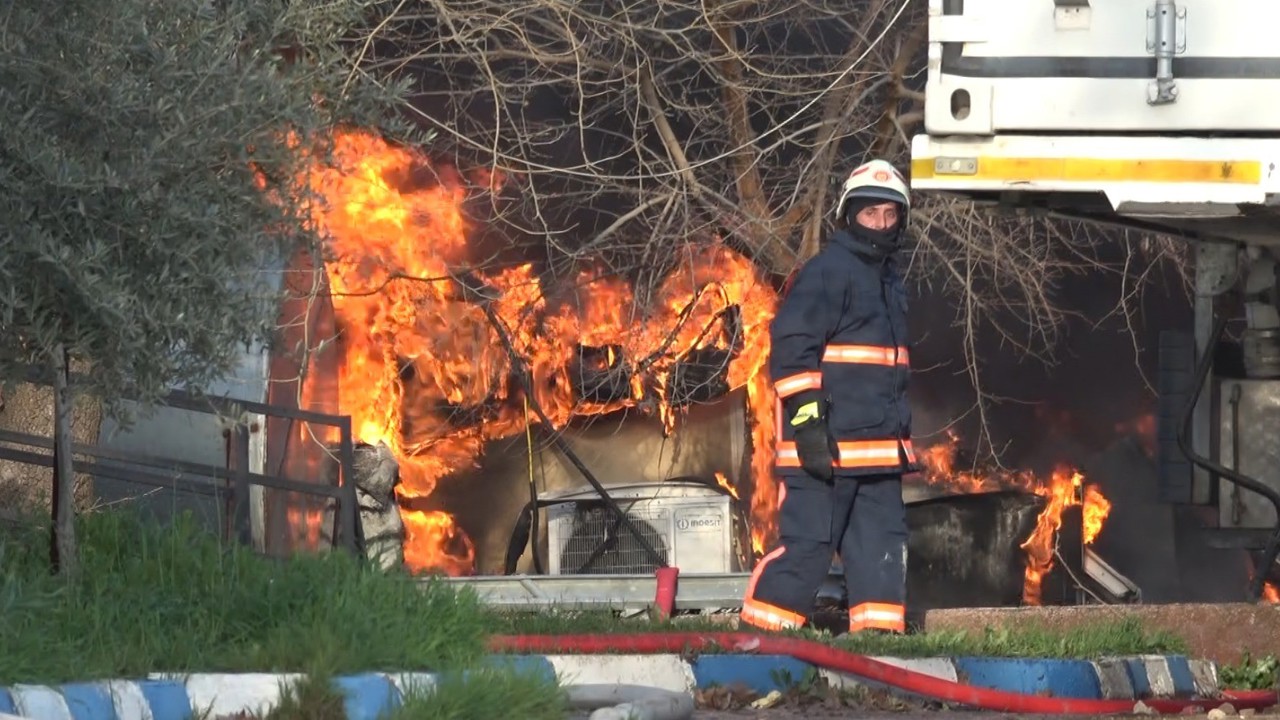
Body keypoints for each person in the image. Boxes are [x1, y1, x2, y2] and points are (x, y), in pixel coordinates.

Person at [740, 158, 919, 635]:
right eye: (870, 214)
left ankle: (880, 648)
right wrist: (808, 426)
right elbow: (793, 351)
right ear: (849, 216)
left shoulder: (888, 280)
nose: (881, 224)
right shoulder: (828, 272)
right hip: (827, 450)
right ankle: (760, 639)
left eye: (889, 214)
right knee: (809, 547)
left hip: (878, 455)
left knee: (881, 551)